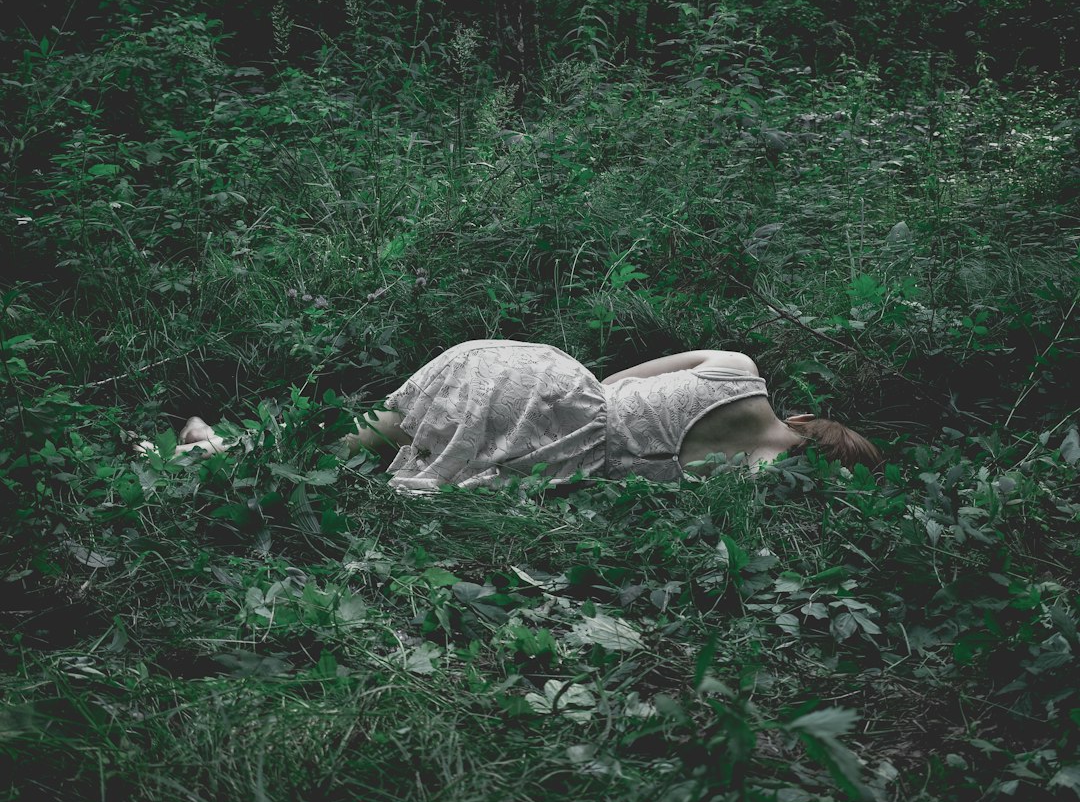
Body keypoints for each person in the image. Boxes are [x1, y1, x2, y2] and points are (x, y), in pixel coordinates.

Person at [174, 339, 882, 496]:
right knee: (372, 443)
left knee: (373, 427)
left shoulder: (737, 368)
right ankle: (223, 453)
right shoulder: (752, 485)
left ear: (809, 418)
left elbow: (620, 382)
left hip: (552, 384)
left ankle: (225, 449)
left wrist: (554, 406)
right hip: (562, 456)